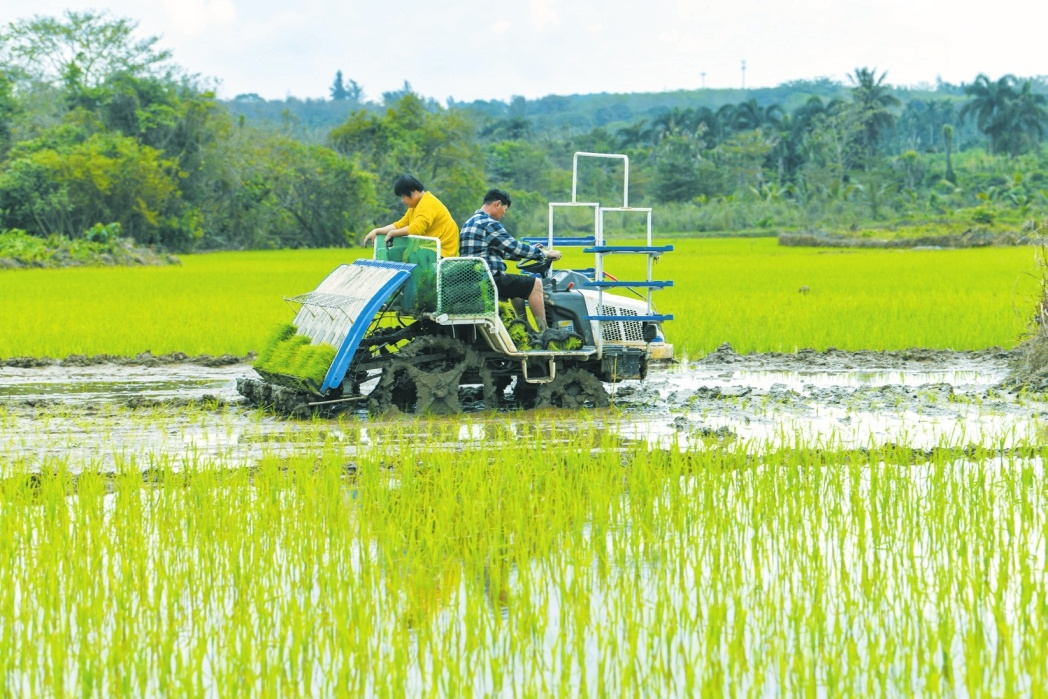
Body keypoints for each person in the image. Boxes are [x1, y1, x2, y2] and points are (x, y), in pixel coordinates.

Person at [459, 188, 562, 332]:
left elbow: (504, 252)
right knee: (535, 284)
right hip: (488, 279)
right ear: (497, 204)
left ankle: (524, 328)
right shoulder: (488, 223)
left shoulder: (470, 222)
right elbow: (513, 247)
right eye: (505, 210)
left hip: (475, 278)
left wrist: (532, 251)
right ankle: (545, 332)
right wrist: (544, 254)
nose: (503, 215)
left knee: (517, 288)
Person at [363, 175, 459, 258]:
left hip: (441, 252)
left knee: (412, 256)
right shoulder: (414, 206)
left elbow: (416, 229)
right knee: (393, 253)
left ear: (414, 192)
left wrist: (393, 233)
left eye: (403, 196)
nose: (403, 200)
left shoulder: (428, 203)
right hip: (428, 250)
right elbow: (400, 225)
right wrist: (377, 231)